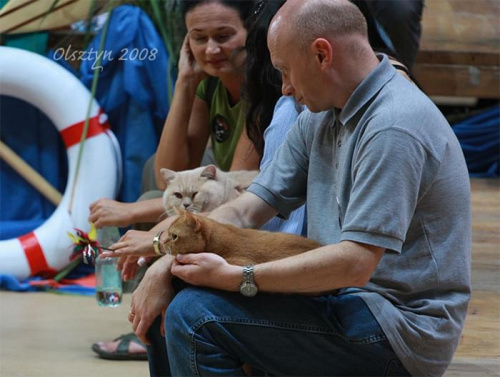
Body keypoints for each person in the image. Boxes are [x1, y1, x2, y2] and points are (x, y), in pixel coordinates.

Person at [108, 0, 471, 375]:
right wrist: (165, 264)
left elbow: (355, 264)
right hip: (343, 298)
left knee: (195, 316)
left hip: (397, 329)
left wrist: (239, 278)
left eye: (284, 70)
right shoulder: (323, 114)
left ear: (321, 54)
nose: (284, 89)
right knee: (168, 299)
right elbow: (248, 206)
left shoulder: (393, 126)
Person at [89, 0, 258, 361]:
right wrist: (185, 81)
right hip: (219, 201)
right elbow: (169, 172)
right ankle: (152, 321)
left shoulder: (262, 90)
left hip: (254, 214)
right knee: (154, 178)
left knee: (153, 210)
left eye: (224, 36)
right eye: (199, 38)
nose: (211, 49)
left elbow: (238, 189)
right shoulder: (210, 85)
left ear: (252, 33)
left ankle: (161, 322)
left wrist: (134, 214)